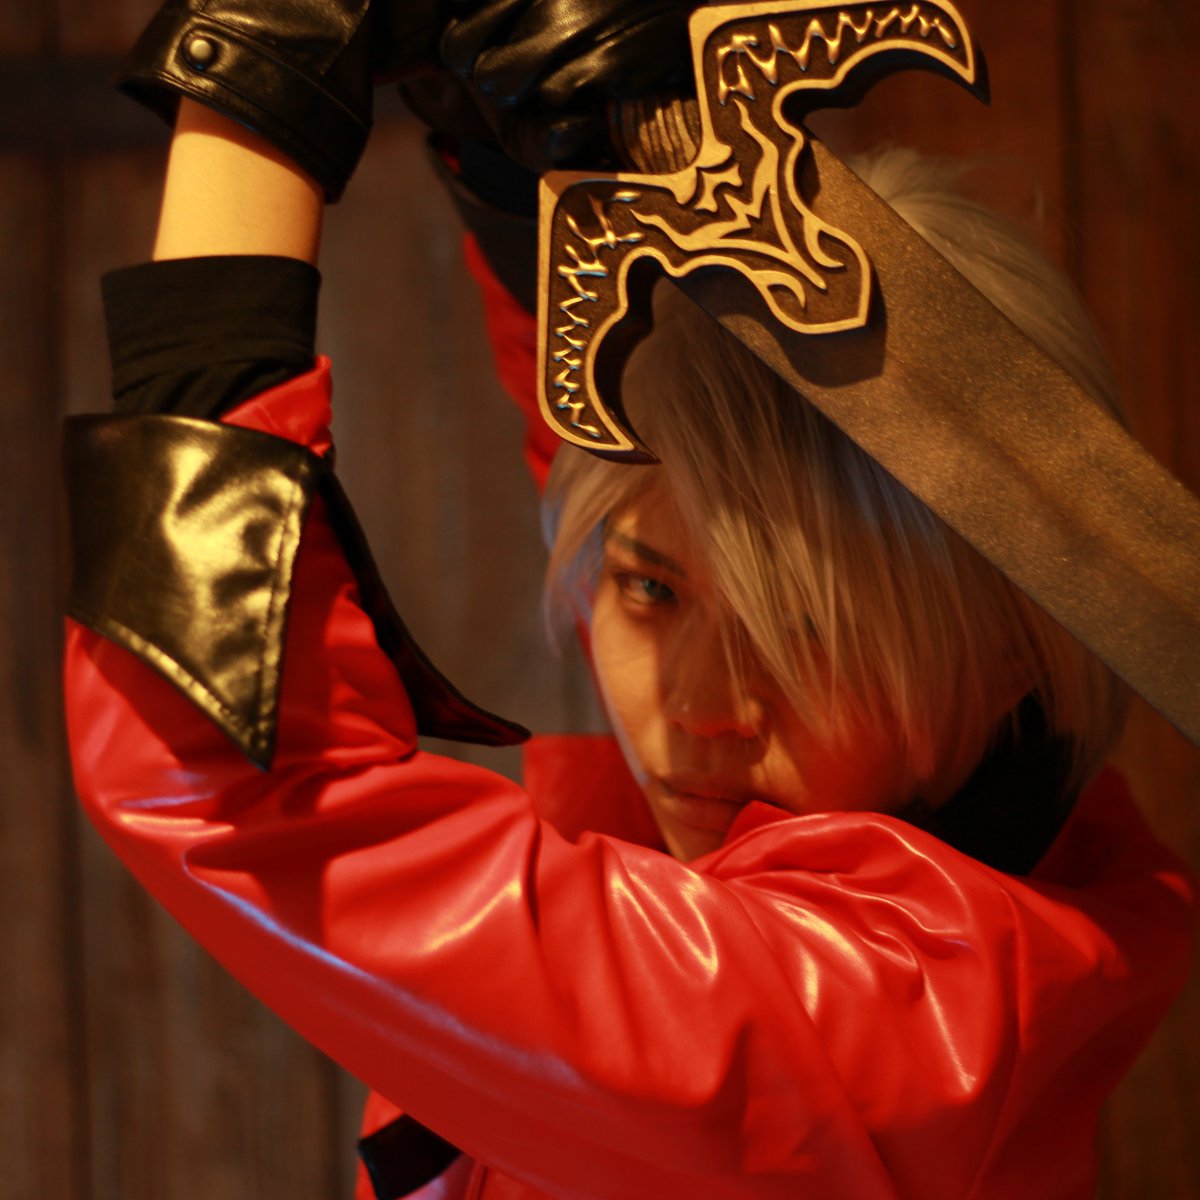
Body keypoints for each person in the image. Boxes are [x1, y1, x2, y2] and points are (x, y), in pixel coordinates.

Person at [63, 2, 1195, 1197]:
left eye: (801, 630)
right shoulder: (986, 838)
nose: (697, 705)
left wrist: (253, 92)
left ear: (1012, 650)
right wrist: (510, 167)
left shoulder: (861, 1025)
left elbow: (221, 755)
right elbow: (637, 476)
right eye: (651, 592)